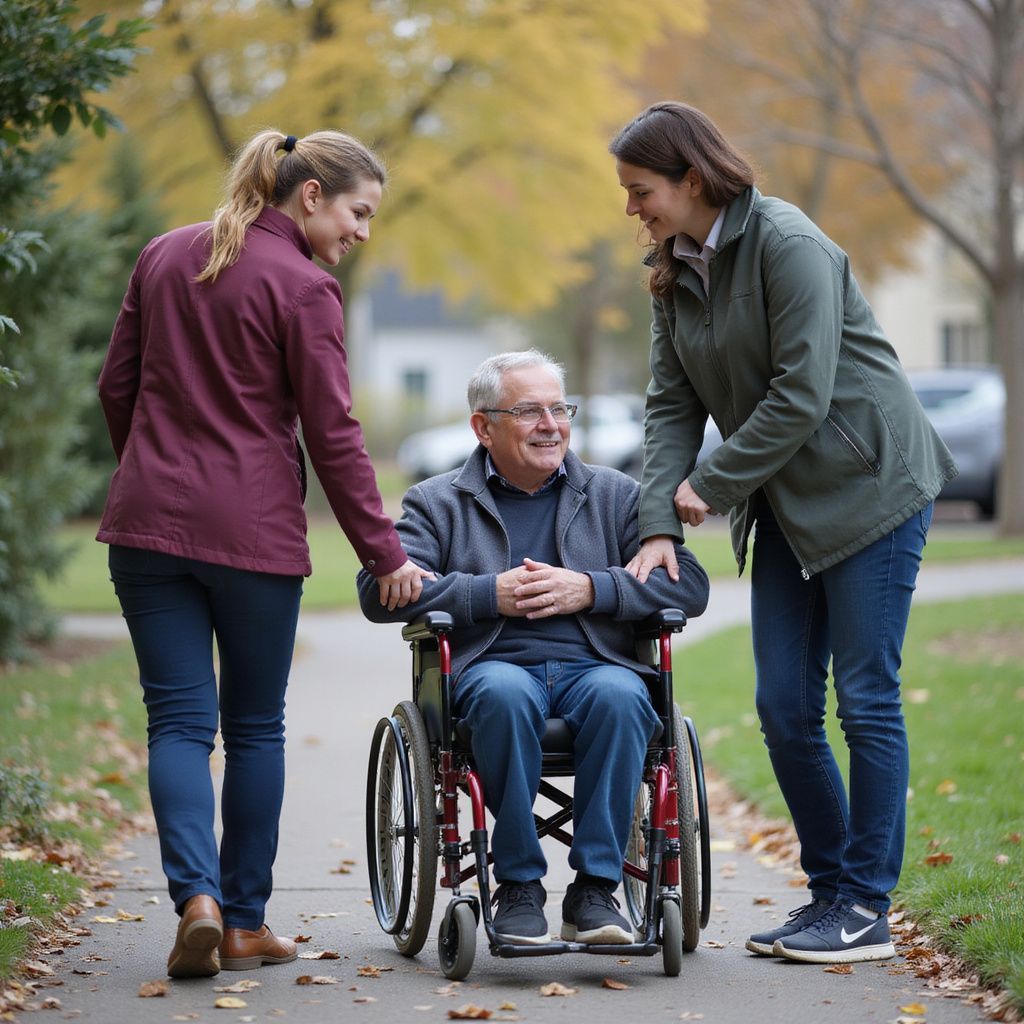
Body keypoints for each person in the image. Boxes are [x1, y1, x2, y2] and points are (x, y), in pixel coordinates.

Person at [609, 102, 958, 964]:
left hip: (871, 487)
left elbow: (803, 393)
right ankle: (832, 894)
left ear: (691, 179)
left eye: (640, 190)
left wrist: (710, 487)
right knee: (783, 709)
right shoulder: (674, 267)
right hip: (789, 506)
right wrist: (658, 519)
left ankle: (867, 907)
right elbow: (671, 404)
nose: (631, 209)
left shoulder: (787, 243)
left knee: (866, 699)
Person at [97, 129, 430, 979]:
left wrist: (146, 467)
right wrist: (383, 552)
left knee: (176, 722)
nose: (363, 233)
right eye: (359, 212)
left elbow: (116, 387)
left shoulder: (164, 255)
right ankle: (242, 920)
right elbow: (334, 432)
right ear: (310, 194)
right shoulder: (306, 286)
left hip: (145, 527)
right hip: (251, 537)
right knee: (252, 729)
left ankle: (195, 901)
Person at [357, 350, 709, 946]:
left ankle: (596, 890)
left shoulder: (615, 495)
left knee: (624, 696)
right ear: (482, 426)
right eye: (528, 411)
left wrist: (591, 588)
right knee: (502, 693)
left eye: (558, 408)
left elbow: (690, 584)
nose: (551, 424)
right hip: (491, 670)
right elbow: (377, 590)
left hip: (594, 668)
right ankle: (517, 883)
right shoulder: (436, 503)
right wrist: (484, 595)